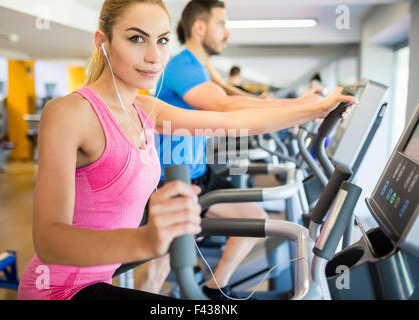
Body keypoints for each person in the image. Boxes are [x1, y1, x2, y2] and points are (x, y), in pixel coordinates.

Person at [17, 0, 355, 300]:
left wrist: (315, 110)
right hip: (61, 290)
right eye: (137, 38)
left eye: (162, 40)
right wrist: (146, 241)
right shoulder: (69, 113)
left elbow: (235, 121)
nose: (154, 56)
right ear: (102, 42)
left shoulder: (145, 108)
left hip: (101, 279)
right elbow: (48, 240)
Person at [135, 0, 354, 300]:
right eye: (221, 25)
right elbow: (225, 106)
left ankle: (214, 292)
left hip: (197, 174)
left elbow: (233, 95)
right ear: (200, 28)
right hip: (169, 179)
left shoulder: (201, 67)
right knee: (157, 268)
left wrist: (301, 104)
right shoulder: (182, 66)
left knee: (252, 219)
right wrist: (309, 108)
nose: (227, 33)